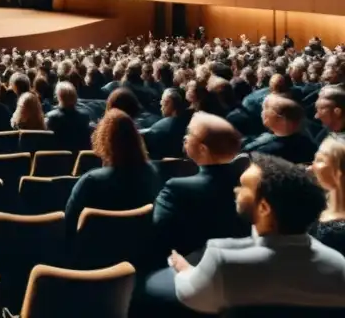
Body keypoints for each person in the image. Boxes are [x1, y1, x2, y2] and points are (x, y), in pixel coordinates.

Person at [165, 154, 345, 313]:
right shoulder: (339, 265)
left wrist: (184, 270)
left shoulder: (224, 259)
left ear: (264, 207)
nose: (236, 190)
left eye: (243, 186)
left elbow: (192, 296)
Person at [152, 113, 249, 262]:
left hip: (196, 271)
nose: (185, 138)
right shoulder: (250, 184)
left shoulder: (177, 188)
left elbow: (160, 232)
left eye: (190, 133)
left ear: (203, 149)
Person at [65, 109, 162, 238]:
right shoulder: (152, 174)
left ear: (104, 141)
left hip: (92, 255)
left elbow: (68, 225)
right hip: (139, 252)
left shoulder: (90, 182)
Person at [243, 94, 318, 165]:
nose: (263, 113)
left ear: (281, 119)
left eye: (266, 109)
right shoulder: (310, 145)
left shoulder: (263, 152)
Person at [311, 134, 345, 255]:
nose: (311, 167)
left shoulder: (337, 234)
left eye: (320, 160)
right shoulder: (318, 202)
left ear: (340, 173)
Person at [142, 89, 192, 160]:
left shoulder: (160, 129)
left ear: (170, 103)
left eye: (163, 101)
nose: (161, 104)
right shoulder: (193, 123)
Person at [45, 82, 92, 153]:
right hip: (80, 161)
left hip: (58, 161)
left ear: (58, 97)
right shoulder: (85, 117)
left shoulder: (51, 118)